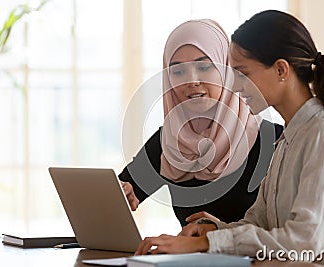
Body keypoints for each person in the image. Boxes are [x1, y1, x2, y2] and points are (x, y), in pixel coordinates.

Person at [134, 10, 324, 266]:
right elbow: (259, 221)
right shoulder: (288, 138)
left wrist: (205, 244)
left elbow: (305, 240)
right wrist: (214, 231)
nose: (234, 85)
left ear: (281, 70)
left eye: (242, 73)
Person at [119, 19, 283, 227]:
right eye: (178, 72)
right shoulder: (169, 141)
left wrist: (219, 235)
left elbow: (290, 232)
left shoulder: (274, 141)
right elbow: (123, 191)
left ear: (227, 69)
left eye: (204, 67)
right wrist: (122, 195)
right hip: (191, 260)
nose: (191, 81)